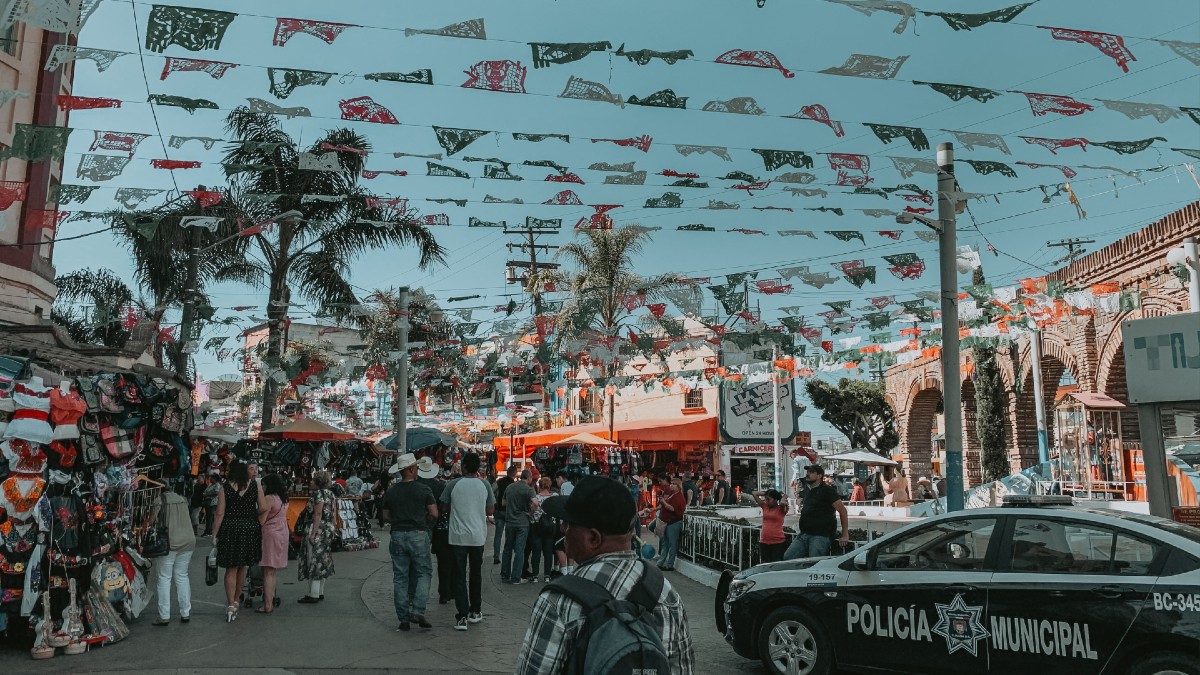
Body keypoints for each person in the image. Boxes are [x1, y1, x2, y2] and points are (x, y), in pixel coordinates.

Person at [513, 476, 696, 675]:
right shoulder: (666, 593)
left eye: (569, 523)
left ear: (593, 538)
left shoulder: (559, 601)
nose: (563, 528)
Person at [382, 453, 437, 631]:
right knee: (423, 572)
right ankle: (418, 610)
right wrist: (425, 520)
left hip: (398, 534)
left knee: (400, 577)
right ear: (412, 469)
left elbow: (385, 516)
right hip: (419, 534)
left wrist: (398, 520)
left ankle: (403, 619)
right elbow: (434, 513)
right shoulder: (423, 489)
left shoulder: (392, 491)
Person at [442, 452, 494, 631]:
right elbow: (490, 509)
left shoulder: (453, 484)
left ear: (463, 466)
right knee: (475, 574)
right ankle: (476, 610)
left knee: (459, 575)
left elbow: (444, 506)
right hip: (478, 536)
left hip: (457, 537)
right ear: (478, 467)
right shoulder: (485, 484)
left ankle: (462, 615)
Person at [211, 462, 262, 622]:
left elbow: (219, 513)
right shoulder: (254, 485)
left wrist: (214, 534)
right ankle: (236, 600)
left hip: (230, 528)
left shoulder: (224, 488)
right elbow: (262, 507)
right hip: (249, 527)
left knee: (231, 568)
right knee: (244, 565)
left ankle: (230, 602)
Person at [783, 466, 849, 560]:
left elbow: (842, 510)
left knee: (815, 562)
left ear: (819, 476)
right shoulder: (808, 491)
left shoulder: (828, 491)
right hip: (804, 534)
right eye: (808, 471)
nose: (808, 474)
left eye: (811, 472)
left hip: (820, 535)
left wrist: (845, 534)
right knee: (788, 557)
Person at [152, 486, 196, 626]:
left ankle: (164, 615)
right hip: (188, 541)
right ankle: (185, 612)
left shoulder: (160, 501)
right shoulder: (182, 499)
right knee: (182, 576)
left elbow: (152, 519)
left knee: (165, 578)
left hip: (169, 542)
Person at [415, 456, 452, 604]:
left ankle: (416, 595)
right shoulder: (440, 486)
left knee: (418, 564)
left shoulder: (415, 486)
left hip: (419, 526)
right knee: (444, 562)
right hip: (440, 527)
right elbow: (445, 507)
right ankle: (445, 592)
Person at [297, 470, 337, 604]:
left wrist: (314, 533)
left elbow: (317, 514)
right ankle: (320, 591)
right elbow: (333, 512)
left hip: (318, 529)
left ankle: (313, 593)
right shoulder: (331, 494)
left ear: (318, 482)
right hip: (328, 529)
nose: (310, 482)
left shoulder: (318, 495)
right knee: (323, 559)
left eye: (313, 480)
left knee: (313, 559)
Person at [257, 473, 289, 613]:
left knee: (268, 571)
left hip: (270, 534)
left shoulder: (269, 498)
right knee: (273, 570)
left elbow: (261, 520)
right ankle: (271, 598)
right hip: (282, 532)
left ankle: (267, 605)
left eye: (263, 484)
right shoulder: (282, 498)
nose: (262, 487)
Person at [501, 469, 536, 584]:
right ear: (529, 478)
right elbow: (535, 503)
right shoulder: (529, 489)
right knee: (519, 550)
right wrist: (530, 513)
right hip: (522, 523)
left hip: (510, 522)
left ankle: (505, 575)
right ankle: (516, 577)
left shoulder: (510, 487)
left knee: (507, 549)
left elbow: (503, 503)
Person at [653, 474, 686, 571]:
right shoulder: (673, 495)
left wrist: (664, 502)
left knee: (672, 544)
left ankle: (670, 564)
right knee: (666, 543)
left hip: (674, 522)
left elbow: (672, 508)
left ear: (678, 486)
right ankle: (661, 562)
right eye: (671, 484)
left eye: (673, 484)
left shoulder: (678, 497)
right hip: (668, 522)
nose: (671, 485)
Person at [528, 477, 556, 583]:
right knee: (548, 551)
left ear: (539, 485)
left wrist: (529, 514)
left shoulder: (535, 497)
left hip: (536, 525)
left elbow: (532, 510)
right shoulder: (554, 497)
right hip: (550, 526)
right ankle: (547, 575)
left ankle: (535, 575)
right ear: (549, 486)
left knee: (536, 551)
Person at [752, 489, 789, 563]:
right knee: (765, 565)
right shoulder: (765, 507)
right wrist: (767, 494)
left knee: (776, 565)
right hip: (764, 541)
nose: (766, 501)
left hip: (778, 542)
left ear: (775, 500)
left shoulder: (781, 509)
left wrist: (782, 496)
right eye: (765, 499)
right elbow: (754, 493)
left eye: (768, 499)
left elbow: (782, 502)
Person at [493, 465, 518, 565]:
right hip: (509, 512)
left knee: (498, 535)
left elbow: (491, 491)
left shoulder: (499, 482)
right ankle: (507, 555)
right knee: (509, 535)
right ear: (515, 473)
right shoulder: (514, 485)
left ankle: (496, 556)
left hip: (499, 511)